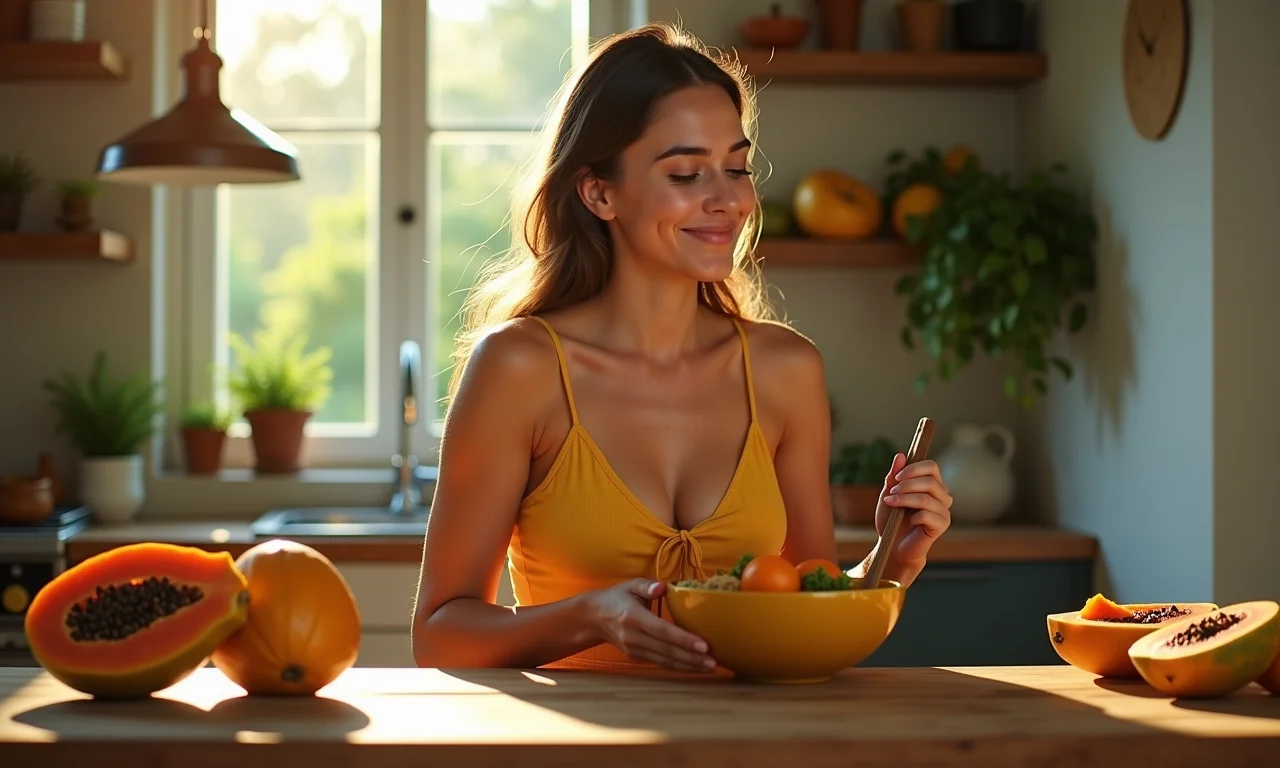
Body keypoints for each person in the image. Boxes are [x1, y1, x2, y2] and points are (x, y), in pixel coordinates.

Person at [411, 22, 953, 675]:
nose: (727, 200)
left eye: (737, 167)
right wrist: (591, 615)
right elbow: (440, 633)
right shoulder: (520, 368)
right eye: (688, 173)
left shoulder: (786, 371)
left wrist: (892, 559)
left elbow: (806, 609)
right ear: (599, 192)